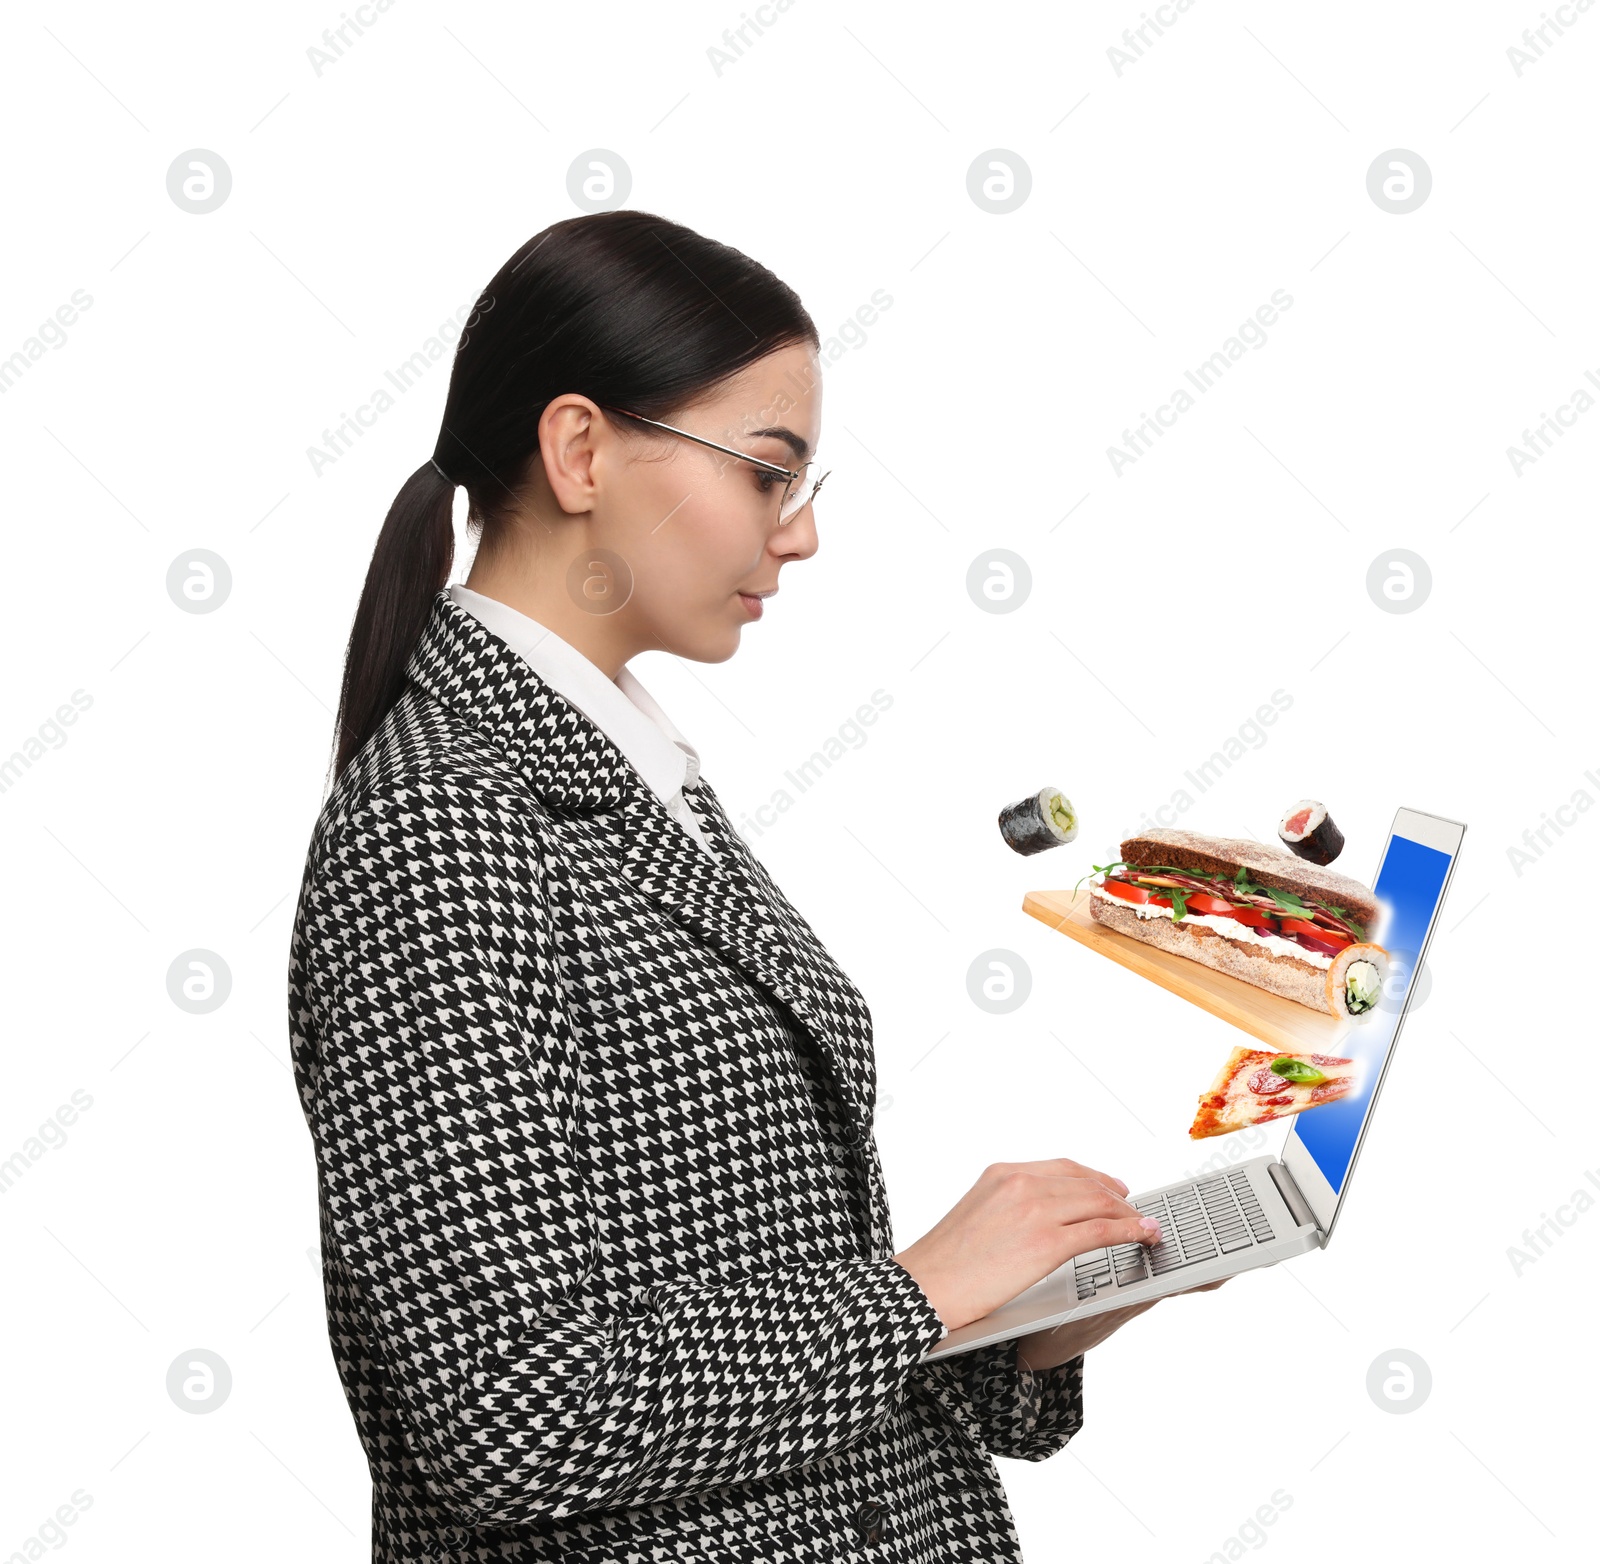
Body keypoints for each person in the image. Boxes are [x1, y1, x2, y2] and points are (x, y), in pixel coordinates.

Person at [287, 208, 1222, 1564]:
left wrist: (1012, 1328)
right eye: (769, 473)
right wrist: (915, 1292)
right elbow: (507, 1416)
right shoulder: (439, 828)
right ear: (581, 449)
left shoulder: (625, 775)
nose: (799, 537)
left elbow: (735, 1306)